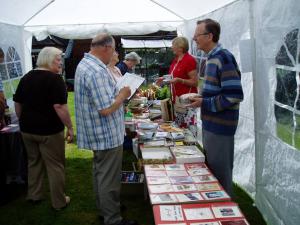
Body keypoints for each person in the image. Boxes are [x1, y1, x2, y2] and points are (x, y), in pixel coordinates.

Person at [74, 33, 137, 225]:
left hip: (97, 132)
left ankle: (105, 209)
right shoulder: (97, 71)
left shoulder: (85, 64)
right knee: (109, 179)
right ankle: (113, 219)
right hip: (106, 134)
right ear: (106, 48)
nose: (114, 55)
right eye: (114, 50)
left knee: (100, 173)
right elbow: (106, 108)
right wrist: (123, 94)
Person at [13, 47, 74, 210]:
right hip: (49, 131)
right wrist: (70, 127)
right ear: (48, 59)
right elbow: (59, 106)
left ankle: (34, 195)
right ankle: (59, 202)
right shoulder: (55, 79)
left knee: (33, 162)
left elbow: (17, 102)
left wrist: (22, 119)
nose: (60, 62)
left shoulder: (26, 77)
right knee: (55, 166)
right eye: (58, 59)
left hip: (27, 129)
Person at [188, 19, 244, 196]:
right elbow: (217, 91)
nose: (194, 39)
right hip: (212, 124)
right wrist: (202, 97)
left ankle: (229, 216)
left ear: (209, 36)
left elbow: (234, 95)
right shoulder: (211, 58)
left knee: (220, 175)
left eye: (197, 35)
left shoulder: (223, 58)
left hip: (221, 126)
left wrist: (203, 102)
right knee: (213, 171)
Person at [157, 36, 198, 128]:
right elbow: (173, 77)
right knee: (179, 128)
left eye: (173, 45)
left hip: (187, 102)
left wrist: (180, 80)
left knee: (188, 129)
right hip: (177, 100)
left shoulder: (189, 60)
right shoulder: (175, 61)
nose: (171, 47)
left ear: (180, 47)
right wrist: (163, 79)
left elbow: (195, 82)